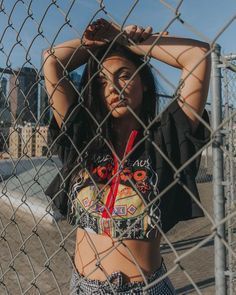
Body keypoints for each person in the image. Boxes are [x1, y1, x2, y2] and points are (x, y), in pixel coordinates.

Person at [43, 18, 211, 294]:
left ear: (144, 83)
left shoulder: (163, 140)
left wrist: (128, 40)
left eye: (124, 75)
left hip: (143, 288)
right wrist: (100, 41)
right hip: (83, 286)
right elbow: (51, 61)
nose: (113, 87)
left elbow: (198, 56)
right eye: (101, 81)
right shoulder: (83, 139)